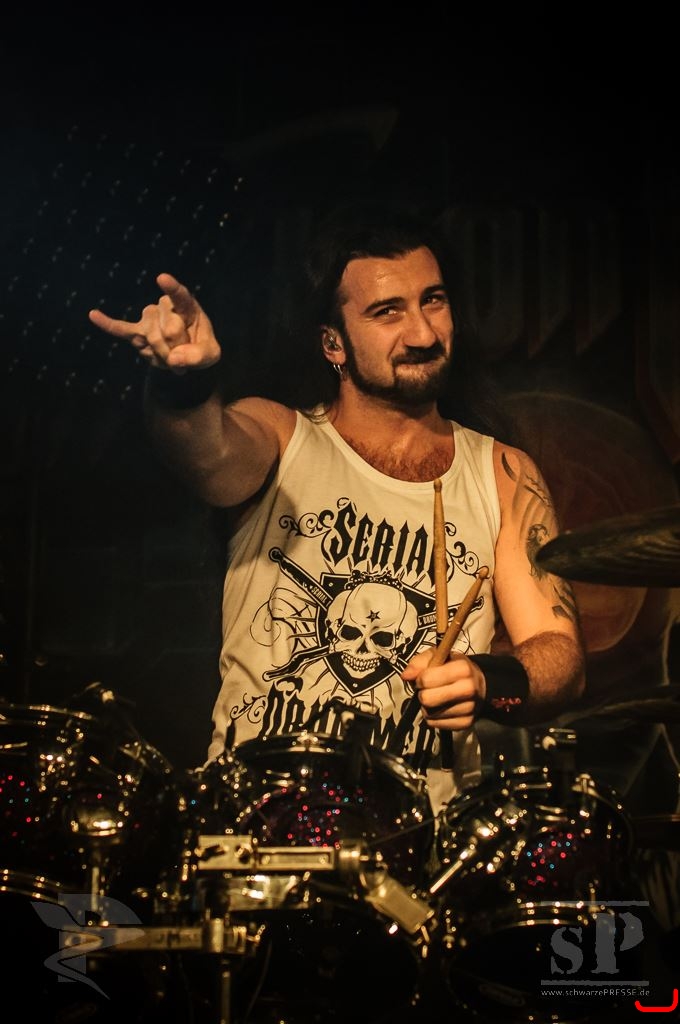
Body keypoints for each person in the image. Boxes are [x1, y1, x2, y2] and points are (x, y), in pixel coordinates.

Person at [88, 201, 586, 819]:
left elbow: (559, 655)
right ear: (333, 343)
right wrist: (183, 386)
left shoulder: (503, 474)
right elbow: (206, 454)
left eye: (433, 301)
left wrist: (487, 682)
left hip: (419, 836)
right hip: (256, 822)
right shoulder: (282, 437)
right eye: (387, 312)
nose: (423, 333)